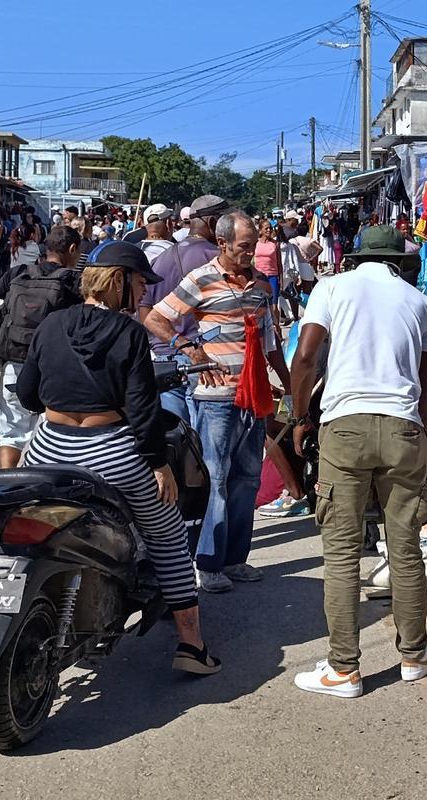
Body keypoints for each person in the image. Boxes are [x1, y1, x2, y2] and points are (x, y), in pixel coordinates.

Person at [16, 241, 220, 675]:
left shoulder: (52, 324)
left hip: (48, 449)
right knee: (167, 534)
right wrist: (158, 464)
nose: (143, 293)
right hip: (111, 451)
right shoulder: (128, 334)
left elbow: (27, 395)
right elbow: (144, 411)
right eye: (140, 284)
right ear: (119, 282)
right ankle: (192, 645)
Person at [290, 224, 427, 698]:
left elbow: (306, 358)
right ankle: (415, 656)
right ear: (399, 261)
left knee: (341, 555)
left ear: (357, 257)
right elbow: (425, 381)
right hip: (403, 428)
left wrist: (298, 417)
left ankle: (344, 669)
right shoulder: (420, 302)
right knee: (406, 548)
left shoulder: (331, 288)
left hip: (346, 426)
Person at [145, 211, 291, 593]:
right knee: (216, 479)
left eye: (253, 245)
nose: (251, 253)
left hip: (254, 397)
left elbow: (269, 342)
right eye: (244, 246)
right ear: (223, 244)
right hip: (216, 399)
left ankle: (235, 559)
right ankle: (207, 564)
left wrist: (289, 385)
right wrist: (189, 349)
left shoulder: (260, 286)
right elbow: (157, 318)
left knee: (248, 479)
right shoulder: (201, 279)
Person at [0, 225, 83, 469]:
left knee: (11, 433)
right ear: (73, 250)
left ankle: (8, 486)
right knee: (52, 434)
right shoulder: (74, 282)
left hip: (16, 363)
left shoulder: (19, 273)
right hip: (56, 370)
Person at [139, 194, 229, 426]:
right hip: (206, 360)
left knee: (177, 442)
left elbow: (145, 311)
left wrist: (169, 342)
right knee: (205, 448)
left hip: (165, 358)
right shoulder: (219, 261)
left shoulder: (161, 259)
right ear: (212, 223)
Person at [254, 218, 282, 328]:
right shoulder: (255, 243)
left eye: (270, 228)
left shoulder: (275, 244)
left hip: (272, 276)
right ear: (260, 230)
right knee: (260, 305)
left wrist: (281, 280)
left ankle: (277, 327)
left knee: (274, 306)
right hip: (260, 277)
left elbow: (279, 263)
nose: (269, 230)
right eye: (266, 228)